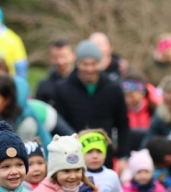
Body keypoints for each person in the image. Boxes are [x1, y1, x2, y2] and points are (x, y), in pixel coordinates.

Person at [53, 40, 131, 171]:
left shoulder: (113, 88)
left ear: (99, 63)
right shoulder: (63, 89)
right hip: (73, 158)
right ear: (77, 63)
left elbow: (123, 124)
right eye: (85, 64)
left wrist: (124, 156)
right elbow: (58, 126)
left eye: (93, 64)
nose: (89, 69)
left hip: (104, 156)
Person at [36, 39, 75, 106]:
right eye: (56, 57)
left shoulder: (83, 83)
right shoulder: (44, 85)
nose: (60, 61)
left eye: (63, 56)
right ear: (50, 58)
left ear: (73, 55)